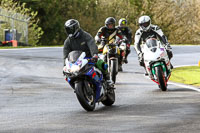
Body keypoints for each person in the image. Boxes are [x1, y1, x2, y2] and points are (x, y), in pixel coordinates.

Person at [63, 19, 113, 87]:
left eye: (71, 29)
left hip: (90, 58)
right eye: (68, 30)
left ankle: (107, 80)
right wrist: (65, 65)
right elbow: (65, 54)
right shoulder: (67, 42)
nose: (69, 31)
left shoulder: (85, 35)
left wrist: (94, 55)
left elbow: (92, 44)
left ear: (76, 28)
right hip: (77, 61)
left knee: (102, 64)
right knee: (68, 75)